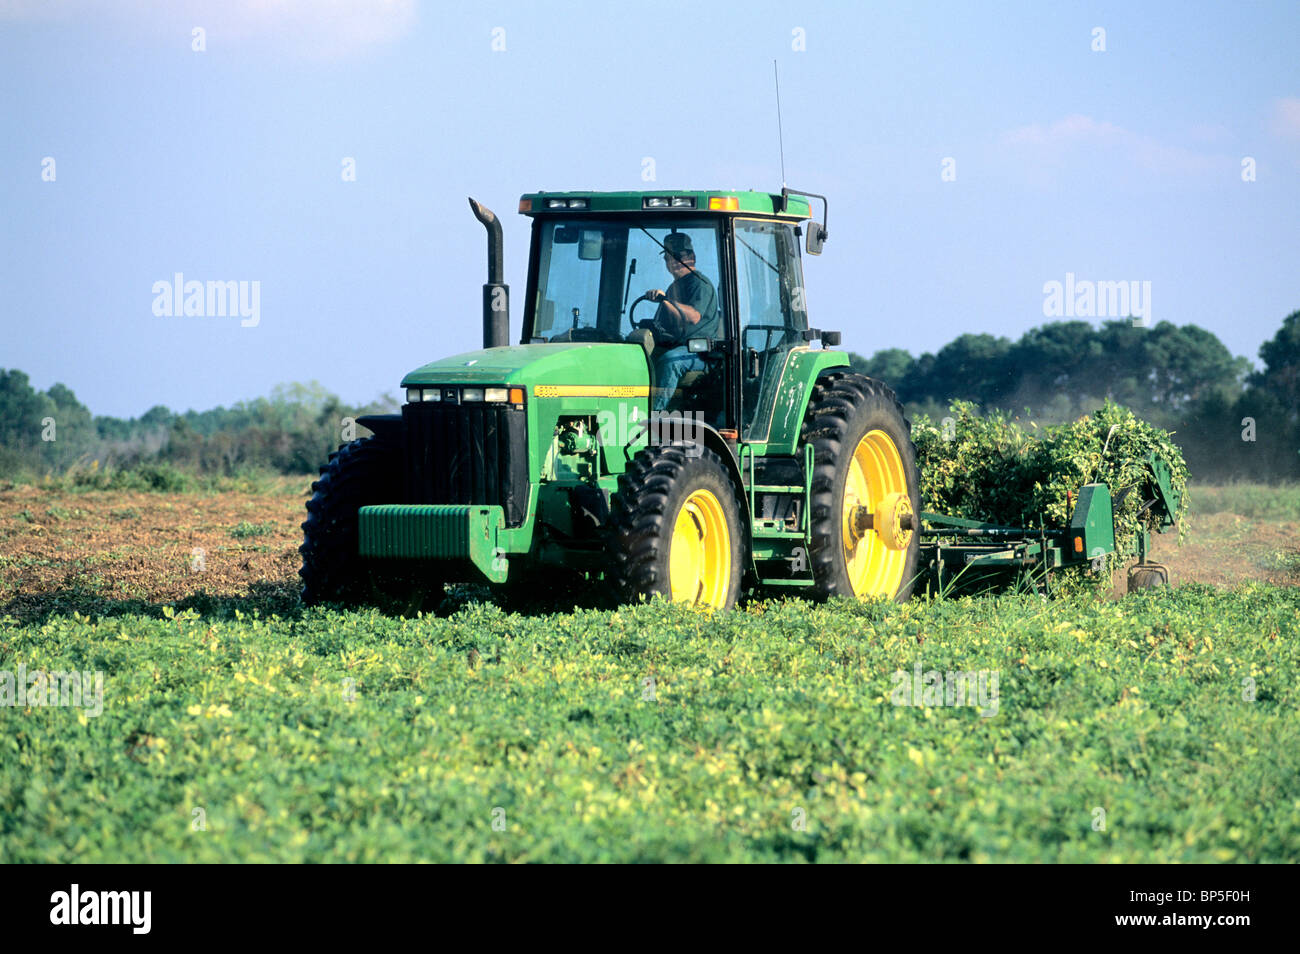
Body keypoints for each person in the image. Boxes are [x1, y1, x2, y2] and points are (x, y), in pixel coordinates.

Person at [645, 233, 718, 410]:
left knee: (671, 361)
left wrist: (666, 300)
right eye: (668, 258)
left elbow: (693, 316)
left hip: (699, 352)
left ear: (692, 257)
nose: (672, 262)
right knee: (641, 358)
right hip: (676, 345)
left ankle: (655, 415)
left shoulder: (700, 284)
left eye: (678, 257)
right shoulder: (674, 287)